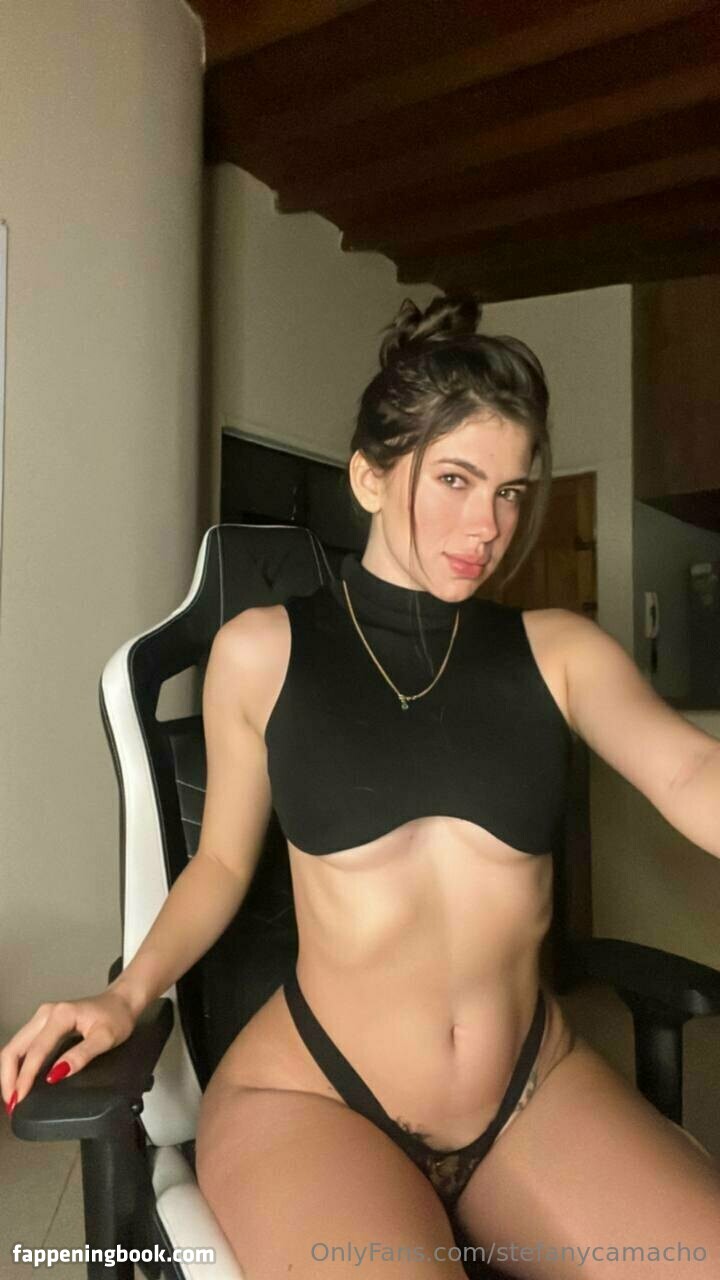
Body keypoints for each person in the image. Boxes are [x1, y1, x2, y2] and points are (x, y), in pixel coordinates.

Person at [2, 295, 720, 1279]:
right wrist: (127, 995)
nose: (488, 526)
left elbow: (692, 769)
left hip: (529, 1089)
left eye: (512, 491)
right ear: (371, 476)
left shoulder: (559, 651)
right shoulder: (261, 652)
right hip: (317, 1096)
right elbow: (221, 864)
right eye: (457, 479)